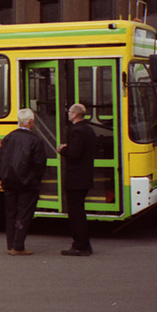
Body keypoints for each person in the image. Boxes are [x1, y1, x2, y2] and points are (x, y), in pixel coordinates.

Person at [0, 108, 46, 256]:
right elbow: (40, 164)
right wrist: (36, 179)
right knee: (23, 213)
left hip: (9, 181)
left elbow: (0, 160)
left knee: (10, 213)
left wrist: (1, 178)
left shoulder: (8, 137)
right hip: (27, 183)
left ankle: (10, 244)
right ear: (30, 122)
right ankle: (18, 246)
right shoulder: (35, 140)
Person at [57, 103, 96, 257]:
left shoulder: (76, 131)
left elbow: (74, 153)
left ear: (75, 114)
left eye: (70, 112)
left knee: (76, 214)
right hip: (85, 177)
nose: (68, 113)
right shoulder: (89, 130)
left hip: (75, 179)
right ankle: (83, 244)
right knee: (79, 211)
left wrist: (63, 149)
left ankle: (81, 245)